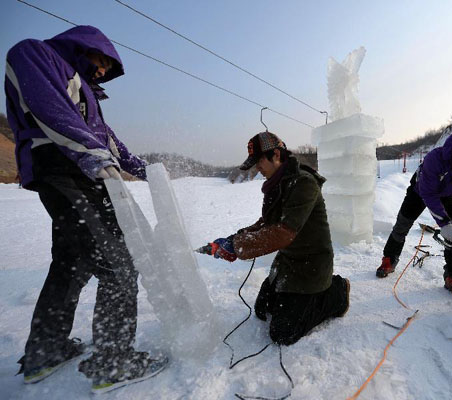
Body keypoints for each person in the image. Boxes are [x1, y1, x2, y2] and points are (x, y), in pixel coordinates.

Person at [5, 25, 167, 393]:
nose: (102, 70)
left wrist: (145, 169)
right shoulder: (34, 53)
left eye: (108, 69)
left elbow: (107, 139)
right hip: (67, 171)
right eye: (101, 61)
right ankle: (114, 361)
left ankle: (46, 350)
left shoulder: (86, 94)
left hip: (80, 170)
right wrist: (91, 156)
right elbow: (48, 108)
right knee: (119, 264)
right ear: (85, 45)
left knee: (71, 262)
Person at [207, 131, 350, 345]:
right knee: (262, 309)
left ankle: (336, 291)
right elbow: (266, 223)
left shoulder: (304, 183)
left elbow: (283, 232)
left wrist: (237, 247)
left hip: (311, 267)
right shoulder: (278, 184)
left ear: (275, 155)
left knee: (283, 333)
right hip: (287, 265)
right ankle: (306, 296)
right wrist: (235, 238)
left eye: (259, 162)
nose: (257, 168)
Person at [376, 124, 452, 292]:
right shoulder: (435, 159)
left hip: (448, 195)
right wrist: (444, 223)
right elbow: (429, 195)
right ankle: (389, 259)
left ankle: (451, 274)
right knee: (402, 225)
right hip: (420, 191)